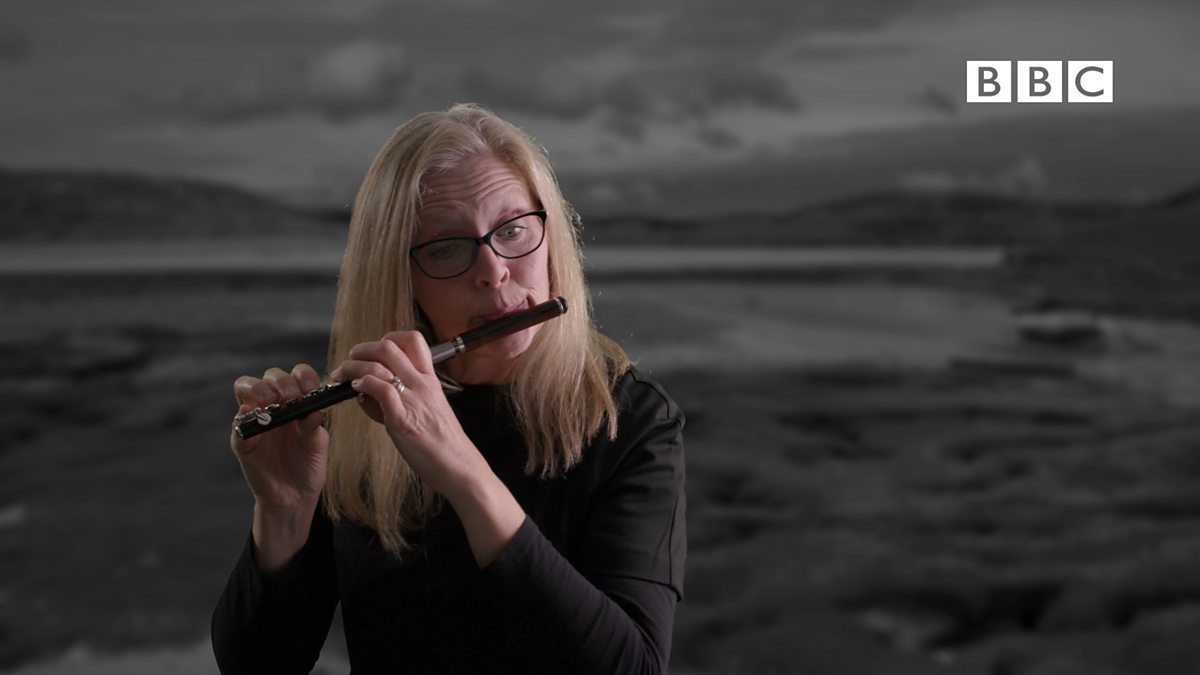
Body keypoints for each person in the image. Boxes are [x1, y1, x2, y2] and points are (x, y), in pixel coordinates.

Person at [211, 103, 686, 674]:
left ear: (551, 237)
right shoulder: (362, 413)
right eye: (446, 248)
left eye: (512, 230)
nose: (493, 270)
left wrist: (462, 471)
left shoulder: (631, 418)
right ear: (399, 277)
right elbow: (258, 666)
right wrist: (283, 513)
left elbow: (634, 667)